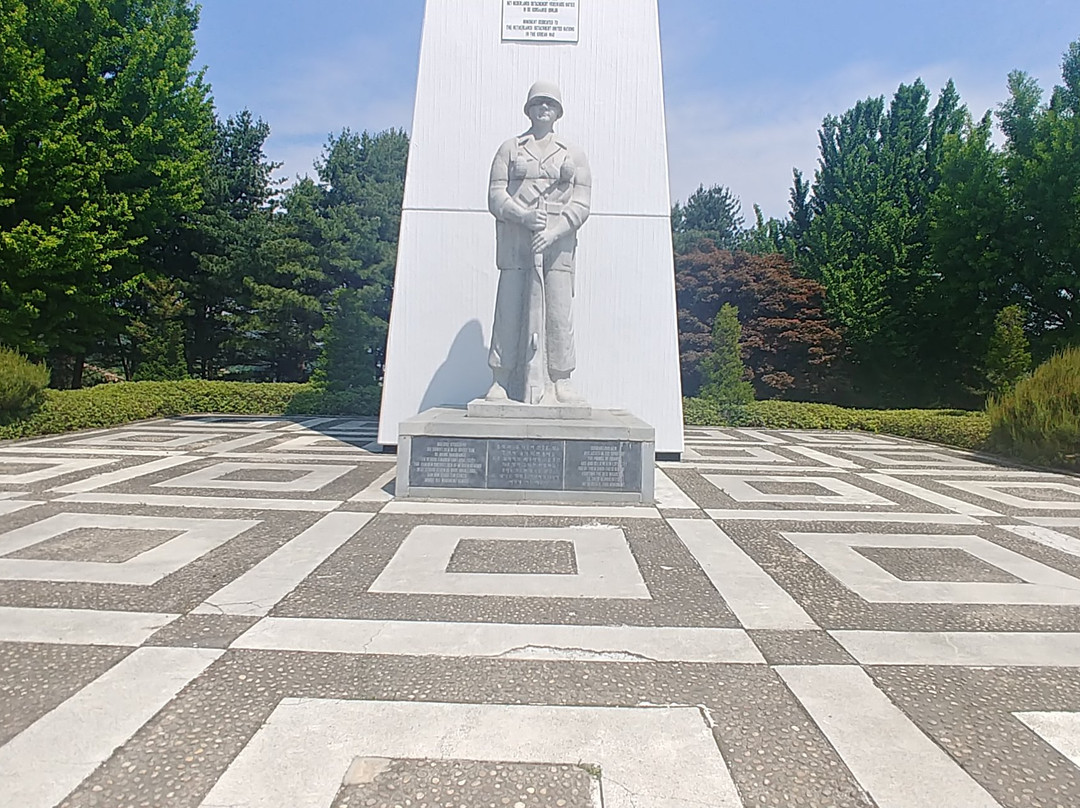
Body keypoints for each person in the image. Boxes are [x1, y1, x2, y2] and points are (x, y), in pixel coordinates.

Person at [485, 80, 592, 405]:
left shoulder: (572, 152)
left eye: (549, 104)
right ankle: (501, 380)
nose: (543, 109)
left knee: (559, 313)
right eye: (537, 103)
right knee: (509, 310)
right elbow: (495, 195)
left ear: (558, 111)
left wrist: (554, 230)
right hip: (517, 246)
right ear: (528, 108)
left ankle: (562, 379)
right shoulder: (510, 148)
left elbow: (582, 201)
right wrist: (522, 216)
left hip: (557, 248)